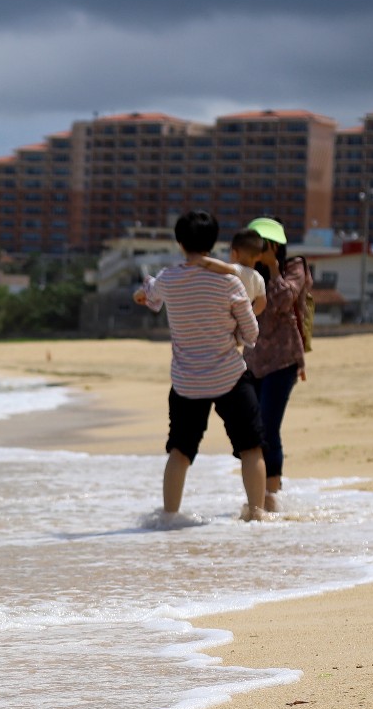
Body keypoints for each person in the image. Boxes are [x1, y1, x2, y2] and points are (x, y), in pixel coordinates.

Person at [132, 210, 269, 522]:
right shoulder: (229, 282)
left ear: (180, 243)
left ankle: (169, 516)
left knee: (180, 451)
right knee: (251, 447)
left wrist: (142, 292)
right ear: (214, 243)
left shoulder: (168, 279)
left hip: (186, 381)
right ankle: (258, 515)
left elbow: (150, 295)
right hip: (229, 376)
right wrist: (234, 335)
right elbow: (252, 334)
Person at [243, 215, 313, 512]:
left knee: (269, 426)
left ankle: (272, 495)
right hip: (253, 360)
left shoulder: (294, 268)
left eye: (265, 246)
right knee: (255, 430)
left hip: (283, 360)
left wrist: (272, 268)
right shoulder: (247, 272)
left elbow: (285, 300)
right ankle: (261, 495)